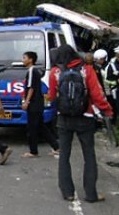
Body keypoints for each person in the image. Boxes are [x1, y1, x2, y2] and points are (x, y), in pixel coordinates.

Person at [48, 45, 113, 203]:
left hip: (64, 119)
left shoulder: (55, 72)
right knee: (89, 155)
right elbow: (97, 94)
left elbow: (51, 97)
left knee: (64, 155)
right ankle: (91, 194)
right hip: (85, 117)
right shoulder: (87, 70)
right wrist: (107, 111)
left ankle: (67, 193)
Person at [21, 52, 59, 157]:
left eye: (24, 58)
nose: (22, 60)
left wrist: (26, 102)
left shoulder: (32, 71)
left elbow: (31, 88)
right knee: (41, 127)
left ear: (31, 60)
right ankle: (56, 146)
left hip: (34, 104)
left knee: (32, 128)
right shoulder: (34, 71)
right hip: (38, 104)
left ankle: (33, 151)